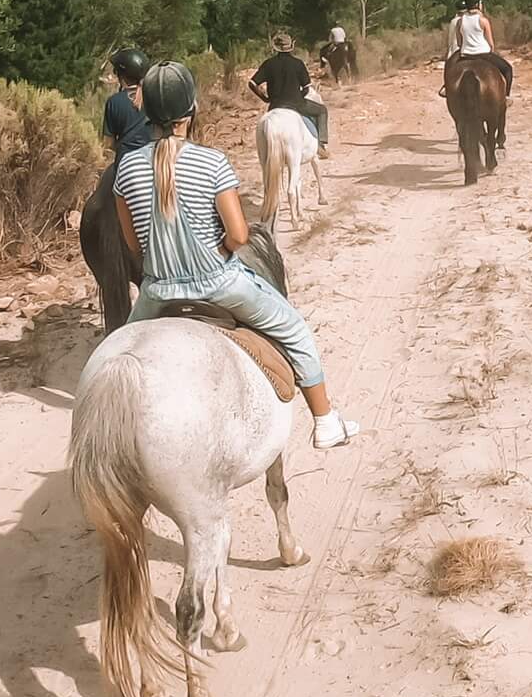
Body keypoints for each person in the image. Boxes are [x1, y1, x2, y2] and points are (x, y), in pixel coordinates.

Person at [114, 61, 358, 449]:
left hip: (156, 292)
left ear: (146, 114)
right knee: (294, 330)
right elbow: (240, 234)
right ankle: (326, 420)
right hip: (220, 284)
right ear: (191, 109)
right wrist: (216, 252)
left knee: (116, 361)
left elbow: (132, 244)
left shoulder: (125, 167)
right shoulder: (211, 162)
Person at [249, 30, 329, 156]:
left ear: (276, 48)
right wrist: (298, 97)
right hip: (296, 104)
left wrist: (265, 98)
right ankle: (321, 144)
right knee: (322, 110)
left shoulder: (269, 63)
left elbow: (252, 83)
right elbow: (307, 88)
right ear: (291, 47)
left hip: (275, 105)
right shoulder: (298, 63)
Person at [446, 0, 513, 94]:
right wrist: (492, 51)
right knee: (508, 69)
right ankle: (507, 96)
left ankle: (446, 89)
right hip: (483, 54)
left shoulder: (459, 21)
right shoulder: (483, 21)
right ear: (478, 5)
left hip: (465, 55)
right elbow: (490, 43)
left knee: (449, 69)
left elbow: (459, 43)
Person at [101, 46, 151, 159]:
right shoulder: (155, 97)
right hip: (155, 160)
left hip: (125, 162)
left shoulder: (114, 102)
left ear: (121, 75)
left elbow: (108, 144)